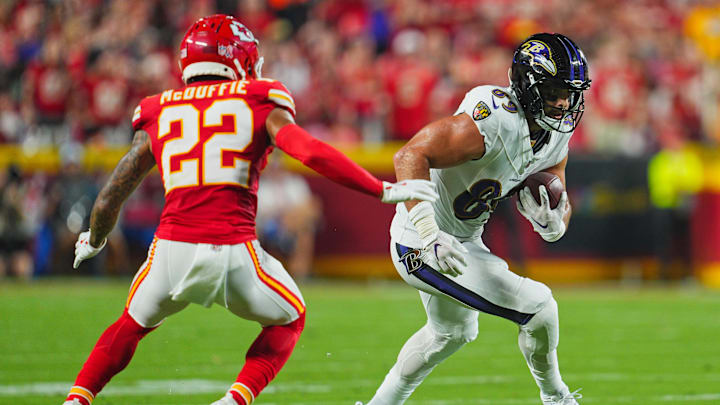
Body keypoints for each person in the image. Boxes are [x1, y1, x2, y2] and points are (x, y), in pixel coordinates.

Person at [63, 14, 437, 405]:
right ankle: (234, 400)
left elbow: (111, 194)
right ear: (238, 60)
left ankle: (77, 398)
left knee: (131, 324)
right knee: (291, 317)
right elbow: (308, 151)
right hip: (231, 251)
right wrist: (379, 189)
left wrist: (95, 237)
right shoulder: (257, 97)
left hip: (169, 252)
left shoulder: (158, 108)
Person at [357, 33, 591, 405]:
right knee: (540, 307)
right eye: (552, 90)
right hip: (421, 239)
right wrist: (429, 233)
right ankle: (557, 398)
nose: (563, 102)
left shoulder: (552, 131)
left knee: (451, 333)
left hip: (465, 239)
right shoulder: (495, 119)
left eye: (570, 93)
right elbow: (408, 156)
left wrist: (555, 222)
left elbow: (557, 178)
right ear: (527, 86)